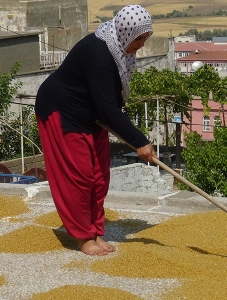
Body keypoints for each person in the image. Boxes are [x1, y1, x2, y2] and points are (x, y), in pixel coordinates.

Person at [34, 4, 157, 256]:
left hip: (92, 116)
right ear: (126, 32)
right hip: (63, 112)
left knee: (100, 177)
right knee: (79, 178)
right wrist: (139, 141)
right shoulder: (100, 54)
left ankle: (95, 230)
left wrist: (134, 138)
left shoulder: (119, 49)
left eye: (146, 38)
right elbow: (109, 108)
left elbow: (109, 103)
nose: (142, 44)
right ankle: (83, 237)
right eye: (139, 38)